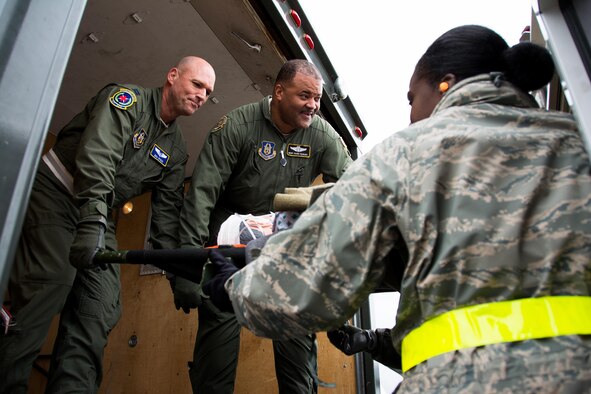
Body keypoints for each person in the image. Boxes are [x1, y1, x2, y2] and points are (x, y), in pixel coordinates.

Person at [203, 25, 591, 392]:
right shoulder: (579, 145)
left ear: (446, 84)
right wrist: (373, 341)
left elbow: (314, 280)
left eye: (412, 98)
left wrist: (236, 289)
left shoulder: (408, 152)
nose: (411, 114)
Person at [0, 56, 216, 393]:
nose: (202, 95)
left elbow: (166, 220)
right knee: (51, 282)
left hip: (98, 217)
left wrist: (180, 274)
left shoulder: (175, 150)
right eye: (197, 84)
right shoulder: (125, 101)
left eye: (208, 92)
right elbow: (96, 156)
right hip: (58, 191)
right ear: (172, 76)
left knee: (100, 305)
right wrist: (92, 220)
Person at [175, 59, 352, 393]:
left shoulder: (321, 134)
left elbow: (353, 190)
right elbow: (202, 195)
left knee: (297, 351)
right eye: (305, 96)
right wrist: (187, 265)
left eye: (317, 98)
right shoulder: (237, 125)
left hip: (281, 246)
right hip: (229, 242)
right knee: (217, 349)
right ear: (279, 91)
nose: (313, 105)